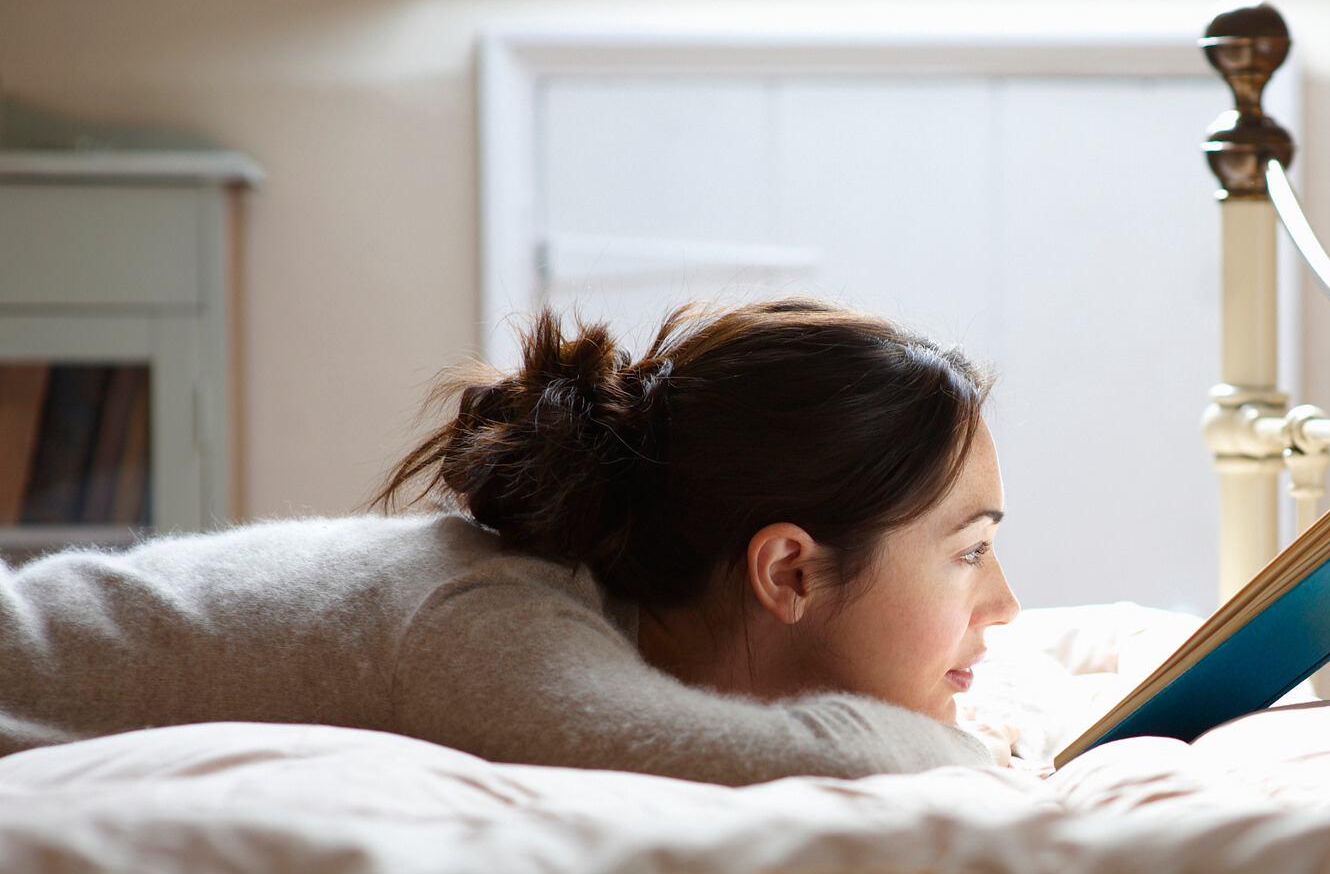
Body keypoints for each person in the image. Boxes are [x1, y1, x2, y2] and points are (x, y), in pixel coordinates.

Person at [0, 298, 1021, 784]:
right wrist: (969, 760)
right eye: (969, 550)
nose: (1004, 605)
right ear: (786, 570)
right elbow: (766, 757)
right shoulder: (495, 626)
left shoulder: (569, 612)